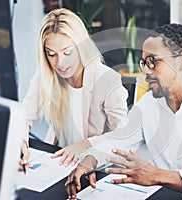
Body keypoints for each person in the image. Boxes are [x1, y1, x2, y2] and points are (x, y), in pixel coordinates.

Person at [60, 23, 182, 199]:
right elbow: (119, 140)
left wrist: (157, 175)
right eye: (144, 63)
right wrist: (90, 160)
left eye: (153, 61)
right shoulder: (148, 103)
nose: (146, 71)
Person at [19, 8, 128, 170]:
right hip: (60, 162)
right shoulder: (46, 74)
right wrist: (20, 142)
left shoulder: (106, 79)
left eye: (67, 52)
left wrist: (85, 144)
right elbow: (24, 116)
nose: (60, 63)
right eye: (51, 54)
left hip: (96, 166)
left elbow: (122, 135)